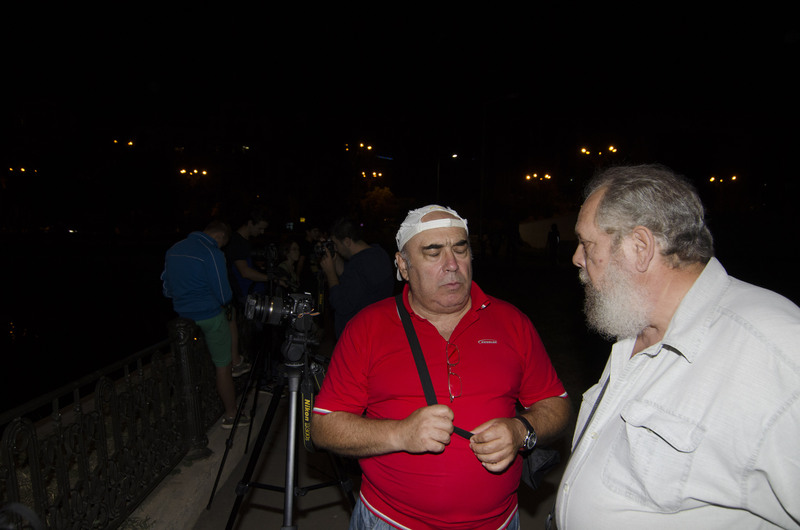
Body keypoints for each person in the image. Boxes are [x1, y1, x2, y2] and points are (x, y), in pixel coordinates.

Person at [555, 164, 800, 529]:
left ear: (640, 247)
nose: (577, 257)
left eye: (587, 243)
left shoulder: (775, 349)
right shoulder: (635, 328)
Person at [311, 205, 570, 530]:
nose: (452, 265)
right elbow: (324, 427)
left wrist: (521, 430)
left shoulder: (512, 322)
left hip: (499, 523)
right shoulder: (367, 328)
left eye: (460, 249)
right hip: (390, 521)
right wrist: (400, 434)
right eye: (433, 253)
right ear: (403, 266)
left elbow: (555, 404)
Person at [161, 221, 250, 429]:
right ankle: (231, 414)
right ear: (220, 237)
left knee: (186, 364)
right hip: (210, 317)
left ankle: (187, 416)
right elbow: (223, 294)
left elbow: (166, 287)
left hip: (183, 319)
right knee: (222, 367)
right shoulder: (212, 252)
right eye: (222, 244)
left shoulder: (174, 249)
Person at [318, 217, 395, 338]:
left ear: (347, 241)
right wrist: (333, 258)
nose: (336, 249)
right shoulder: (378, 253)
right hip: (377, 329)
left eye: (336, 244)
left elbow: (340, 303)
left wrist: (330, 273)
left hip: (358, 337)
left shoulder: (360, 265)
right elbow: (350, 278)